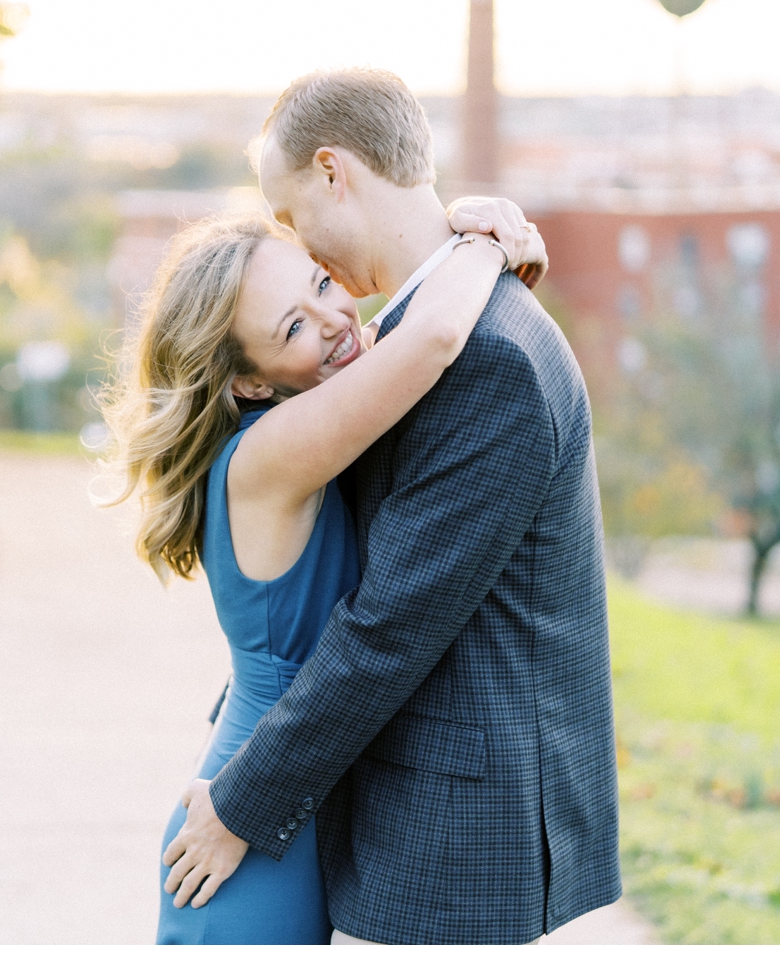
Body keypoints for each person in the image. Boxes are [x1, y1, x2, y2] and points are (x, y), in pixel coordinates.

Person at [160, 68, 622, 945]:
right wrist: (484, 240)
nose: (313, 265)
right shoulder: (418, 345)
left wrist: (246, 803)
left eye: (292, 220)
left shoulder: (486, 357)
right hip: (391, 815)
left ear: (334, 171)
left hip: (454, 834)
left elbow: (391, 627)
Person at [100, 188, 546, 943]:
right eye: (293, 327)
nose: (336, 318)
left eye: (319, 282)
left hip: (287, 788)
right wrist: (488, 244)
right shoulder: (273, 451)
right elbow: (432, 337)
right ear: (249, 382)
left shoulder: (301, 414)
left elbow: (411, 344)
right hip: (248, 815)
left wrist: (495, 265)